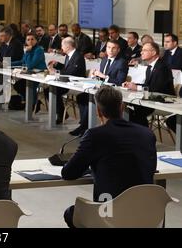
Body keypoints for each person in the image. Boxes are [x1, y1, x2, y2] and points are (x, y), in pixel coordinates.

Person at [62, 86, 157, 228]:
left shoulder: (95, 135)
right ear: (122, 106)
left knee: (71, 213)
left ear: (98, 111)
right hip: (146, 213)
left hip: (110, 213)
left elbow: (68, 173)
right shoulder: (147, 134)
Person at [71, 40, 129, 136]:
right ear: (106, 48)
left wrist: (105, 77)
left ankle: (84, 127)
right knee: (81, 97)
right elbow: (101, 78)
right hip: (101, 88)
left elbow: (120, 81)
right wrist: (95, 76)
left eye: (114, 48)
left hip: (113, 92)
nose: (111, 50)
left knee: (92, 99)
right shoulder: (104, 60)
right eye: (109, 47)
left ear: (118, 50)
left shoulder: (122, 62)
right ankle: (84, 125)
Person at [123, 42, 175, 127]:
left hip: (164, 101)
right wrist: (133, 85)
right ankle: (139, 134)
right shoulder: (149, 67)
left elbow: (156, 89)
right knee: (129, 107)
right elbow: (148, 85)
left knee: (135, 109)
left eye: (144, 50)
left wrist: (137, 87)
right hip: (152, 97)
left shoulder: (162, 67)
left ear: (154, 52)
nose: (141, 52)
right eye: (141, 50)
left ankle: (143, 135)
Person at [47, 37, 87, 125]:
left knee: (54, 91)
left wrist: (56, 72)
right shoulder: (69, 55)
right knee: (49, 90)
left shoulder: (78, 56)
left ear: (68, 46)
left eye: (62, 45)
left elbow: (72, 72)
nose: (61, 47)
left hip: (77, 85)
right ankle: (61, 113)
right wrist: (57, 64)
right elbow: (67, 68)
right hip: (67, 82)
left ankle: (61, 115)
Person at [11, 34, 47, 110]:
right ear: (26, 41)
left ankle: (33, 104)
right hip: (30, 74)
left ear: (36, 40)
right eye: (28, 39)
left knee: (30, 85)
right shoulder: (28, 49)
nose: (30, 41)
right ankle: (30, 101)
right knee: (18, 85)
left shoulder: (39, 50)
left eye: (32, 39)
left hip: (39, 75)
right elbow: (22, 62)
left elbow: (30, 65)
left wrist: (27, 52)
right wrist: (8, 63)